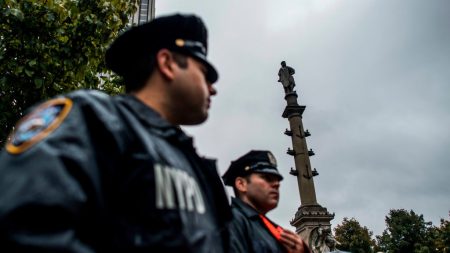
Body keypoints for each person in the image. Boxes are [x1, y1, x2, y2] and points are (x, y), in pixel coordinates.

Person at [0, 14, 231, 252]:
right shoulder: (92, 119)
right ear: (168, 63)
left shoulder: (194, 166)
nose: (212, 89)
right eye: (204, 72)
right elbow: (25, 223)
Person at [223, 150, 310, 253]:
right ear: (241, 184)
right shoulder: (230, 221)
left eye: (277, 179)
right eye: (267, 178)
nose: (277, 184)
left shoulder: (266, 227)